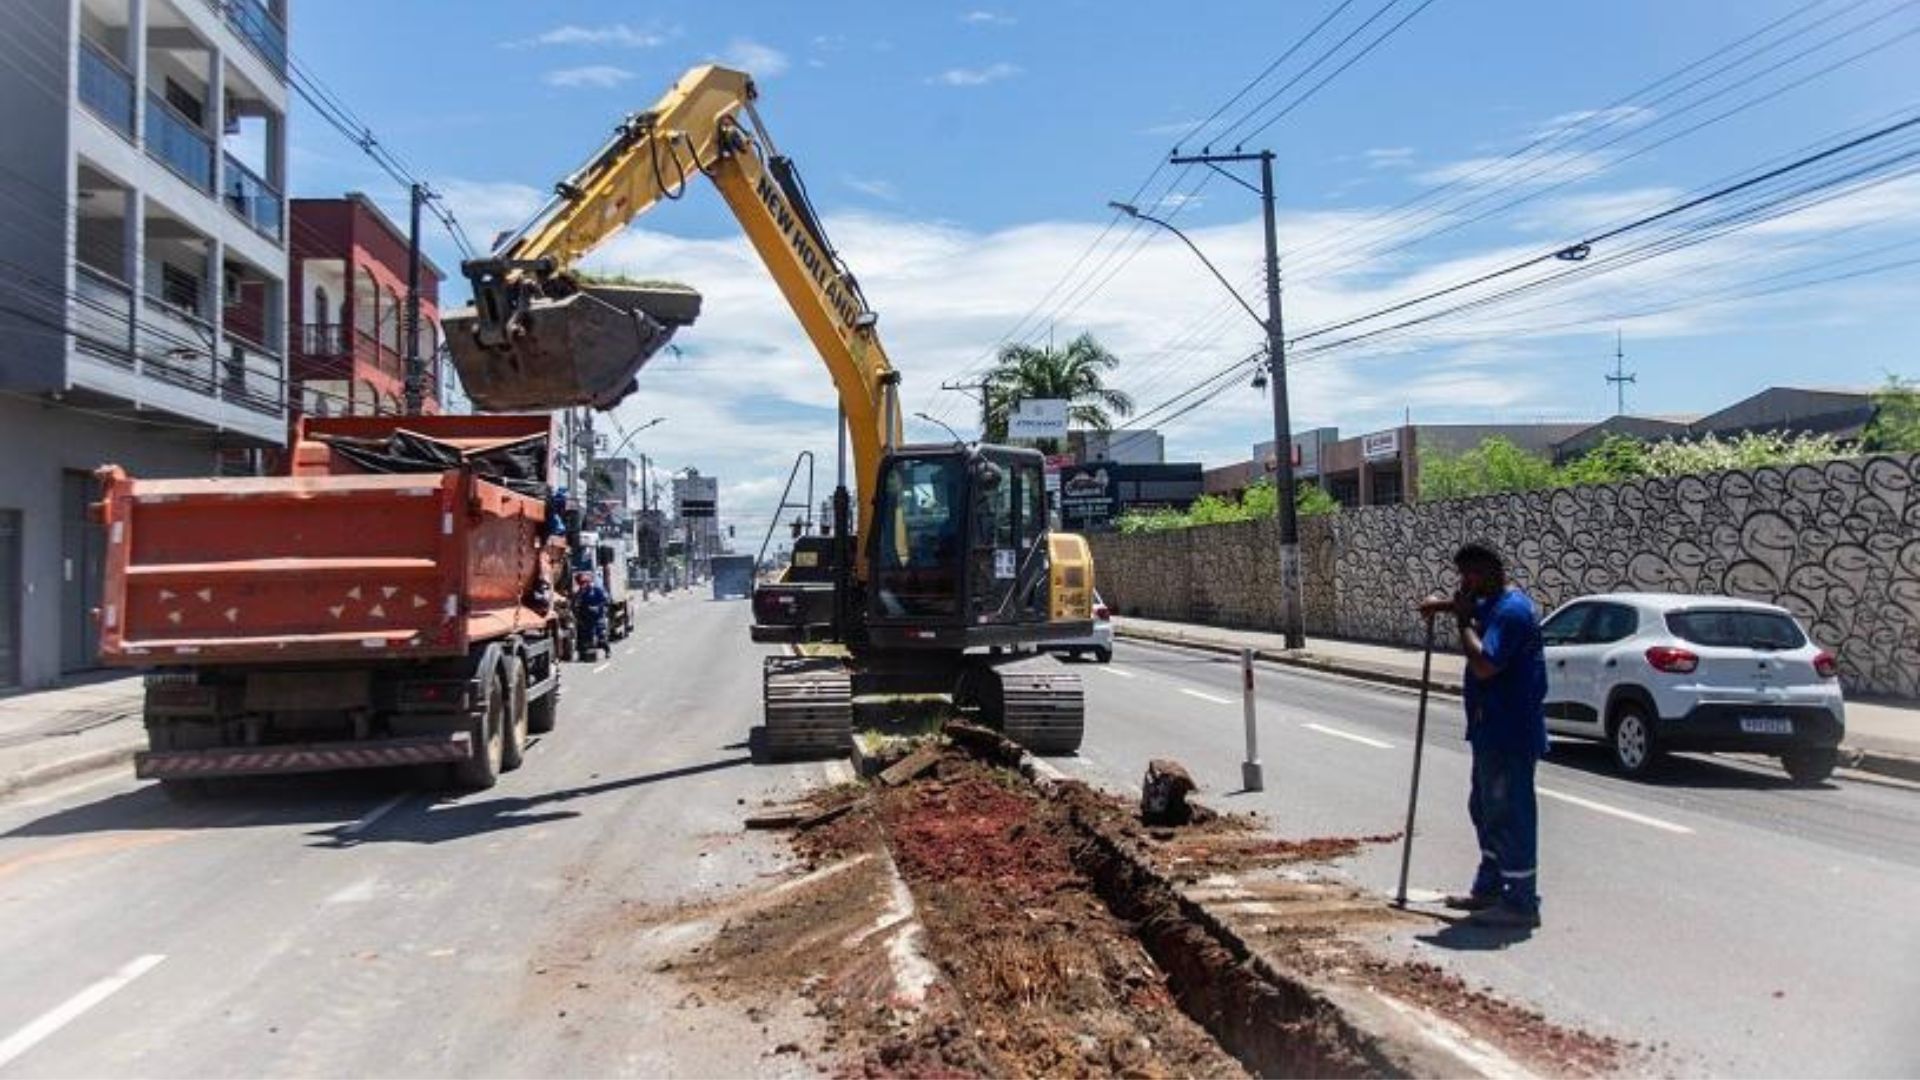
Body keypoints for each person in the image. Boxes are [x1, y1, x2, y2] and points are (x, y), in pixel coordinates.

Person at [1419, 542, 1549, 929]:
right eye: (1462, 576)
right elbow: (1475, 610)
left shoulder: (1512, 612)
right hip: (1489, 729)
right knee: (1485, 809)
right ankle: (1491, 886)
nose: (1465, 583)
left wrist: (1459, 621)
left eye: (1471, 575)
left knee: (1509, 812)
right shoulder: (1492, 604)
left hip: (1510, 730)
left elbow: (1485, 666)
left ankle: (1521, 901)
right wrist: (1442, 606)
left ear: (1492, 571)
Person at [573, 570, 610, 658]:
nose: (582, 585)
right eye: (580, 583)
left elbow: (605, 601)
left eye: (584, 582)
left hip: (597, 617)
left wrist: (597, 607)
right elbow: (576, 604)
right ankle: (583, 654)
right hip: (585, 618)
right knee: (585, 637)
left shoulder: (597, 589)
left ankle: (607, 650)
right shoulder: (580, 593)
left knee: (600, 636)